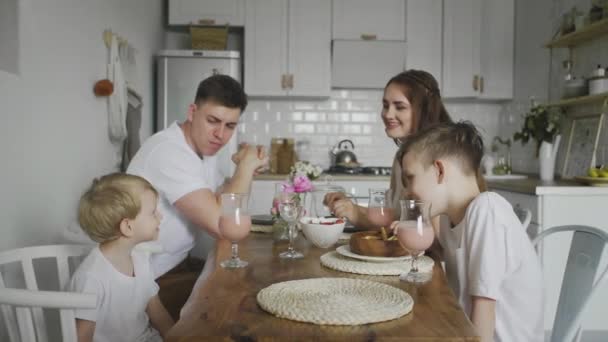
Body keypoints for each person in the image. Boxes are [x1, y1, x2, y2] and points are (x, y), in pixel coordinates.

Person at [127, 74, 267, 319]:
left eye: (230, 126)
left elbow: (222, 201)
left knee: (253, 286)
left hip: (175, 265)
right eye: (213, 121)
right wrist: (245, 168)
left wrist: (244, 171)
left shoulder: (203, 150)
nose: (220, 135)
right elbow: (224, 226)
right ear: (192, 112)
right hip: (146, 280)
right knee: (238, 305)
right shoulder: (170, 152)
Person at [395, 122, 543, 342]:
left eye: (410, 178)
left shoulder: (487, 210)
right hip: (465, 330)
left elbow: (484, 308)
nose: (407, 191)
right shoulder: (448, 219)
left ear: (439, 170)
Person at [325, 70, 454, 227]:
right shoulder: (403, 155)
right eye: (385, 105)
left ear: (423, 110)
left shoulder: (437, 160)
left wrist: (355, 214)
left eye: (399, 107)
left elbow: (420, 230)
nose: (387, 114)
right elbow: (396, 216)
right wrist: (349, 208)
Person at [68, 173, 174, 342]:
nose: (160, 216)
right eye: (153, 212)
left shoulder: (140, 258)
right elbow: (82, 337)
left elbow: (157, 311)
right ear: (128, 226)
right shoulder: (91, 277)